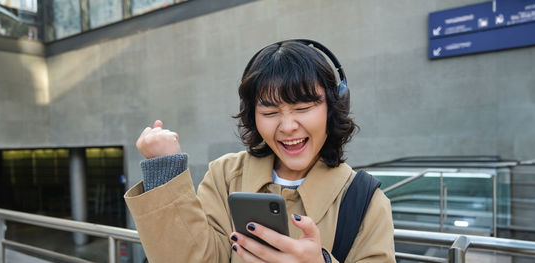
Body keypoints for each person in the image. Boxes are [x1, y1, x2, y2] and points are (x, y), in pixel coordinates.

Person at [124, 40, 395, 262]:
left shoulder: (366, 200)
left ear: (333, 107)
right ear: (253, 116)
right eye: (270, 112)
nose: (288, 126)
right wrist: (165, 171)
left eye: (303, 108)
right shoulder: (225, 176)